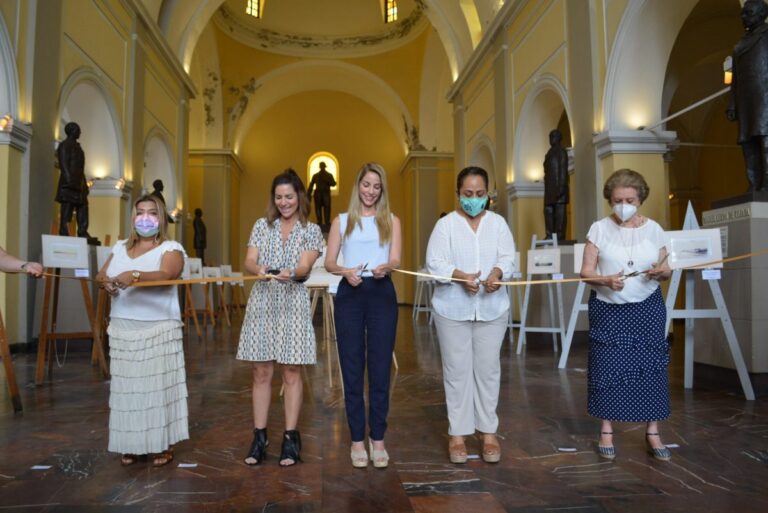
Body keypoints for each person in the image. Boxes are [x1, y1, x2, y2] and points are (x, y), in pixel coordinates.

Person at [579, 168, 673, 461]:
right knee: (608, 368)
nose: (623, 205)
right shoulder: (598, 228)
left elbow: (667, 268)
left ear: (640, 198)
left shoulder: (655, 229)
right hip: (608, 309)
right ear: (610, 200)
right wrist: (605, 280)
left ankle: (653, 431)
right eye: (617, 199)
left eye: (629, 199)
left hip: (647, 307)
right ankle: (606, 429)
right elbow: (585, 273)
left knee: (651, 368)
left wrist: (661, 273)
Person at [425, 166, 516, 464]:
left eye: (479, 194)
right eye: (467, 194)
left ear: (488, 194)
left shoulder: (499, 224)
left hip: (492, 308)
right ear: (458, 194)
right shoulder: (446, 225)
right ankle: (458, 435)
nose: (474, 200)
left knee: (488, 370)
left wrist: (498, 273)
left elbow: (507, 258)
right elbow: (434, 262)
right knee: (457, 371)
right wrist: (458, 276)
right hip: (452, 308)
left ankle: (488, 432)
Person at [237, 169, 323, 467]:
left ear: (300, 196)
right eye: (279, 197)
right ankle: (259, 438)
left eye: (289, 196)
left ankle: (290, 438)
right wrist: (257, 269)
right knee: (261, 372)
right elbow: (249, 260)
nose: (284, 202)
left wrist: (293, 272)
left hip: (292, 302)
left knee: (291, 372)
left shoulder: (311, 230)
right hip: (263, 301)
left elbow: (304, 265)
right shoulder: (263, 225)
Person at [95, 194, 188, 467]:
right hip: (124, 326)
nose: (145, 218)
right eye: (140, 212)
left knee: (158, 389)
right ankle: (132, 444)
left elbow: (167, 275)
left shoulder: (171, 247)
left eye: (152, 213)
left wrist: (134, 275)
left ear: (161, 218)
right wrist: (107, 282)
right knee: (129, 390)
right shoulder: (121, 246)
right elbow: (102, 274)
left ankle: (162, 443)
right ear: (133, 217)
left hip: (158, 326)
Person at [324, 162, 402, 468]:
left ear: (382, 190)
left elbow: (395, 257)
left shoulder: (392, 221)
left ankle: (378, 439)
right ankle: (357, 440)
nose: (371, 191)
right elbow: (330, 262)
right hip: (350, 293)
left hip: (382, 293)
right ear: (358, 186)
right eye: (366, 184)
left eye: (377, 186)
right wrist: (345, 271)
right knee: (352, 368)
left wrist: (387, 266)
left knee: (380, 368)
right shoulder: (341, 221)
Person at [727, 0, 768, 191]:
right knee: (748, 141)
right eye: (743, 13)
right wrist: (732, 104)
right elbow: (734, 79)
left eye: (748, 13)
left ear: (761, 14)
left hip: (764, 97)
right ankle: (753, 184)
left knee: (764, 139)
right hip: (746, 99)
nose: (743, 17)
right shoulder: (740, 44)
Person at [55, 121, 97, 243]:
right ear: (72, 131)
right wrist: (69, 181)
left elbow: (80, 167)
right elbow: (63, 165)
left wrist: (83, 184)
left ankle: (82, 231)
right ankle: (64, 231)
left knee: (83, 206)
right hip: (69, 183)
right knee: (67, 208)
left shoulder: (78, 147)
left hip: (79, 182)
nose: (80, 132)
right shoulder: (64, 145)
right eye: (78, 130)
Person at [543, 129, 569, 240]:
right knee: (548, 210)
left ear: (558, 138)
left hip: (559, 188)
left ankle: (559, 235)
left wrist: (561, 187)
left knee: (560, 213)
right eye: (550, 136)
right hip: (549, 188)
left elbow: (563, 170)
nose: (551, 139)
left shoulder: (561, 152)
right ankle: (549, 234)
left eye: (553, 136)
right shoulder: (549, 153)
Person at [307, 161, 336, 228]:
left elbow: (333, 183)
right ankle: (321, 222)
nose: (322, 167)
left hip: (324, 193)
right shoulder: (317, 175)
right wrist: (309, 193)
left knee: (325, 207)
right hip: (319, 193)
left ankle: (326, 222)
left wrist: (309, 193)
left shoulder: (328, 175)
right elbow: (311, 184)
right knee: (319, 208)